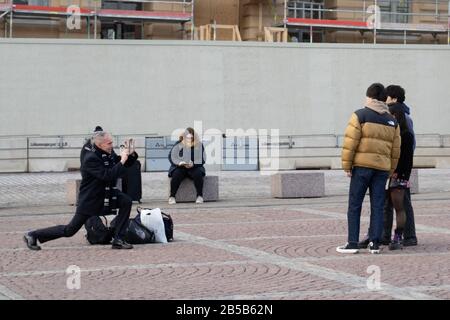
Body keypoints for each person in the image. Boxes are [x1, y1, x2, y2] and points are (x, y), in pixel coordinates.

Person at [24, 131, 138, 250]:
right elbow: (107, 175)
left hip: (107, 194)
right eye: (109, 143)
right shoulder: (90, 158)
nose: (112, 145)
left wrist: (131, 154)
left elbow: (119, 164)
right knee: (70, 230)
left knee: (126, 201)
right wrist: (122, 160)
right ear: (100, 145)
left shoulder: (107, 152)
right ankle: (33, 235)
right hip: (91, 198)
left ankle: (119, 239)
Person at [337, 83, 401, 254]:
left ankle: (352, 243)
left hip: (362, 167)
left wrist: (347, 165)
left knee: (355, 204)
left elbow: (350, 143)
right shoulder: (392, 121)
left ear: (370, 97)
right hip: (381, 170)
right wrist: (390, 170)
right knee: (378, 206)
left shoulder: (360, 115)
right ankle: (374, 243)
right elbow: (396, 150)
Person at [358, 85, 418, 248]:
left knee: (387, 203)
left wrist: (396, 169)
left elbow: (401, 145)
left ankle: (388, 236)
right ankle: (404, 237)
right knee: (400, 204)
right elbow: (410, 145)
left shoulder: (394, 113)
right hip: (399, 169)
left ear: (393, 98)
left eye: (388, 97)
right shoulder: (405, 115)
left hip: (392, 168)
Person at [168, 127, 206, 205]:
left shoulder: (198, 144)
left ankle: (199, 196)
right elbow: (171, 156)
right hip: (180, 167)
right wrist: (179, 163)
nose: (189, 139)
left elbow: (202, 159)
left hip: (194, 167)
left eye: (191, 137)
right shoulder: (178, 144)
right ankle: (172, 196)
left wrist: (194, 164)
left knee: (198, 174)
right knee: (176, 174)